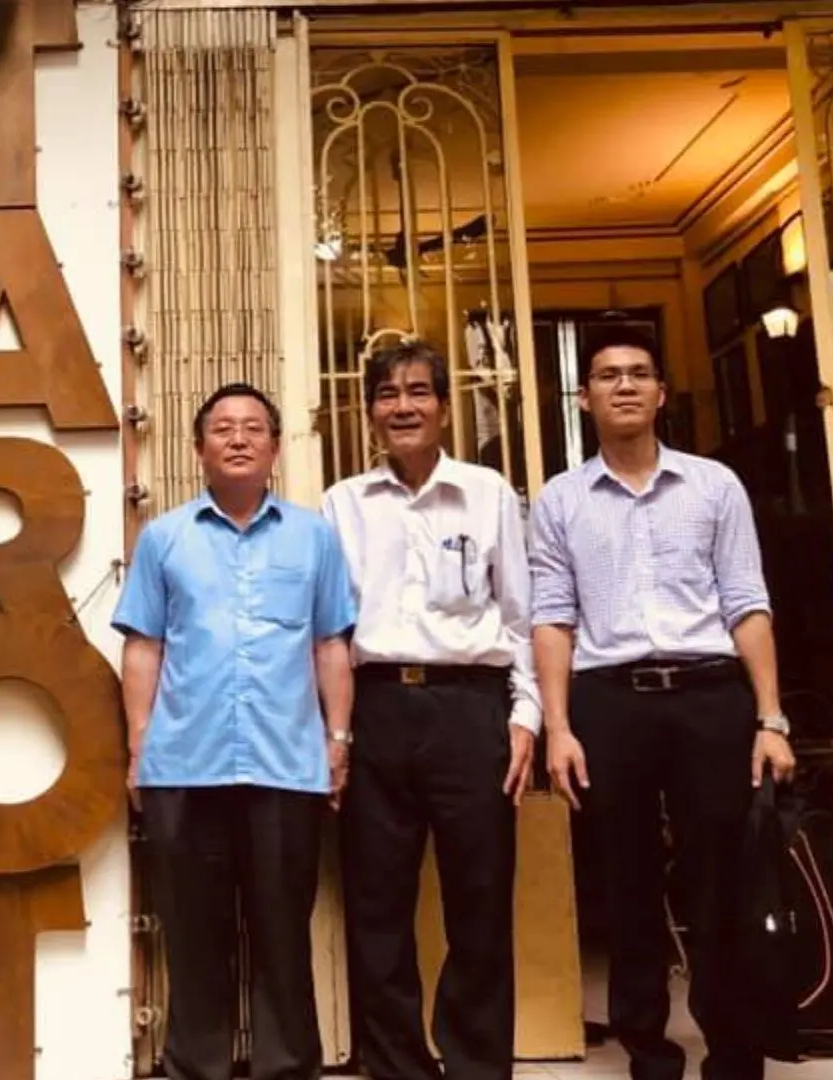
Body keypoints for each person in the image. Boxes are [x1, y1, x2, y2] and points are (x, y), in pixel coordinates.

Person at [528, 327, 796, 1080]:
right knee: (628, 882)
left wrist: (770, 719)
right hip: (611, 703)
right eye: (607, 375)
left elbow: (748, 603)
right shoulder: (561, 500)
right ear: (584, 397)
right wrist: (558, 727)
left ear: (661, 393)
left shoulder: (714, 486)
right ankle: (649, 1053)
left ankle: (735, 1053)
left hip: (711, 698)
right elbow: (552, 617)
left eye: (638, 374)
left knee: (722, 879)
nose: (623, 386)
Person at [112, 382, 356, 1080]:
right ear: (199, 449)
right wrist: (139, 746)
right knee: (193, 934)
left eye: (254, 427)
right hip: (184, 763)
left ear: (276, 447)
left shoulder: (314, 536)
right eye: (223, 428)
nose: (239, 438)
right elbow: (144, 647)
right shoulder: (165, 537)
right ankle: (196, 1066)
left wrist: (337, 742)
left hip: (286, 764)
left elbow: (330, 644)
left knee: (283, 934)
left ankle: (286, 1068)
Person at [320, 340, 537, 1080]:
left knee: (479, 900)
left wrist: (526, 717)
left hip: (469, 710)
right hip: (377, 707)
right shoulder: (342, 504)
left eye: (418, 391)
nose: (402, 405)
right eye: (386, 393)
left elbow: (520, 615)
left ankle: (477, 1064)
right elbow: (331, 627)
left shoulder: (488, 494)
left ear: (444, 406)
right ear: (370, 410)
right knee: (377, 905)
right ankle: (397, 1066)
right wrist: (336, 731)